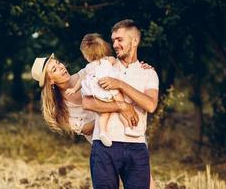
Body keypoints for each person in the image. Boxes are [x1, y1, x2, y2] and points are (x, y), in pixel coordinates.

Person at [82, 19, 159, 189]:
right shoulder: (103, 66)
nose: (115, 44)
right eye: (113, 40)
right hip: (104, 147)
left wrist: (120, 84)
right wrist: (121, 106)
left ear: (134, 41)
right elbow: (87, 102)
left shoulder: (149, 73)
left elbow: (151, 105)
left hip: (137, 147)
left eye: (120, 39)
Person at [65, 33, 142, 147]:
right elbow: (123, 66)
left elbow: (81, 79)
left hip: (100, 93)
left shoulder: (89, 66)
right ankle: (128, 127)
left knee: (104, 112)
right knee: (122, 105)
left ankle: (103, 131)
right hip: (112, 90)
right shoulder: (109, 59)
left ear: (87, 55)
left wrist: (74, 89)